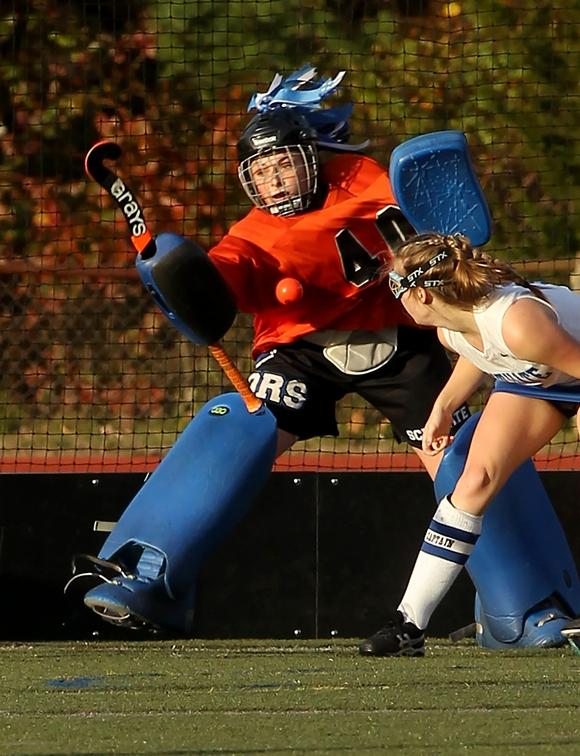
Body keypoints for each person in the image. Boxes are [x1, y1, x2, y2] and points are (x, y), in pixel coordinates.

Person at [207, 66, 469, 478]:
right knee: (230, 454)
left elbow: (385, 209)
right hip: (301, 350)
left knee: (464, 470)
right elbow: (229, 266)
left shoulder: (361, 181)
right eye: (259, 172)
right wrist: (192, 280)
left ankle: (501, 539)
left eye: (282, 165)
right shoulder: (250, 233)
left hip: (401, 342)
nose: (272, 182)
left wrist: (290, 255)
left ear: (311, 158)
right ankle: (148, 539)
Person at [359, 231, 580, 656]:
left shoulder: (518, 322)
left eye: (396, 286)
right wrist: (444, 406)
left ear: (421, 294)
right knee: (473, 481)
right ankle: (409, 624)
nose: (394, 297)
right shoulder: (448, 328)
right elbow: (478, 353)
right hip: (538, 381)